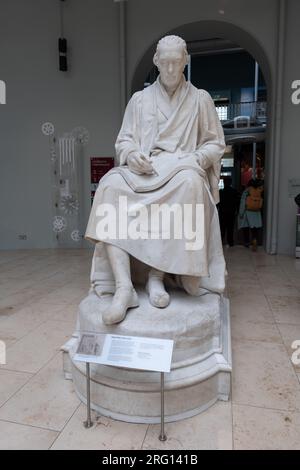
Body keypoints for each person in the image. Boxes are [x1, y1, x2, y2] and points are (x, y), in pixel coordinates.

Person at [85, 35, 226, 324]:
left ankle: (156, 275)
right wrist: (132, 154)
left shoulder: (200, 99)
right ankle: (124, 287)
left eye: (177, 63)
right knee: (110, 186)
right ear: (156, 62)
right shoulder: (140, 100)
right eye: (166, 63)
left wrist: (196, 159)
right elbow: (124, 140)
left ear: (185, 60)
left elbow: (215, 144)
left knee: (190, 184)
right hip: (146, 169)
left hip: (182, 168)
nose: (172, 70)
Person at [238, 179, 263, 251]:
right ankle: (254, 240)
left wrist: (241, 212)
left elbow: (243, 202)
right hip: (256, 213)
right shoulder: (258, 191)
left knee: (246, 228)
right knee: (254, 229)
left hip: (247, 212)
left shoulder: (246, 191)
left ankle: (246, 243)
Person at [218, 177, 240, 247]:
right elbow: (237, 202)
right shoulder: (234, 192)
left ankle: (221, 242)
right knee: (230, 228)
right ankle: (230, 242)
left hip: (222, 213)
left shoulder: (221, 192)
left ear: (224, 183)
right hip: (231, 213)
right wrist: (237, 210)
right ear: (230, 183)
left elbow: (217, 203)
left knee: (222, 229)